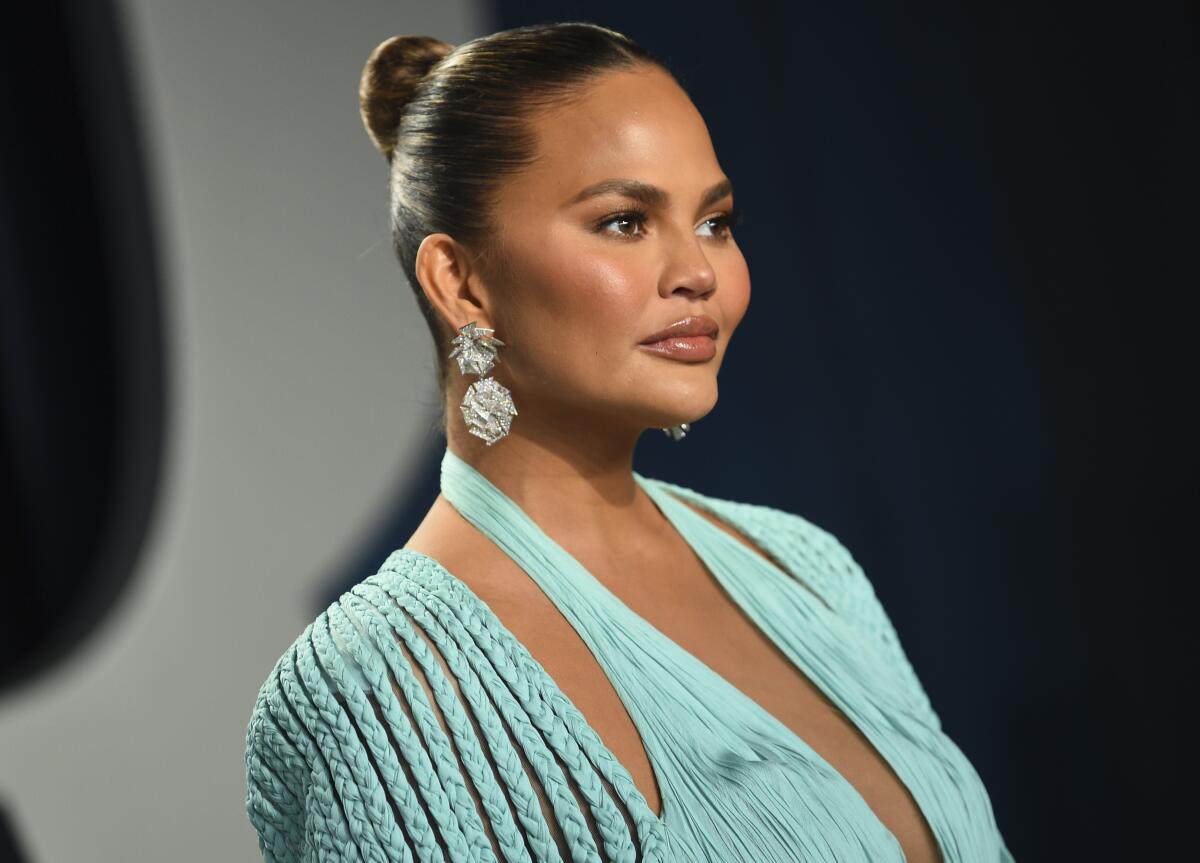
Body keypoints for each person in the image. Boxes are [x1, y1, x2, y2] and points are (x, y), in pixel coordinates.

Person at [243, 21, 1013, 863]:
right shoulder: (381, 686)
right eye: (624, 221)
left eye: (716, 221)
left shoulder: (807, 569)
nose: (700, 271)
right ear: (459, 281)